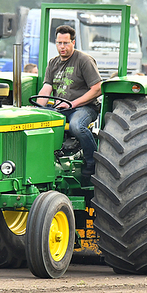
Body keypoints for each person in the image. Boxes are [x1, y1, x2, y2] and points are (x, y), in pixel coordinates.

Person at [36, 25, 102, 178]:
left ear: (73, 42)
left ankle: (92, 162)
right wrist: (38, 109)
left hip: (84, 108)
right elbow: (46, 89)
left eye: (66, 43)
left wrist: (73, 103)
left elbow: (97, 89)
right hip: (61, 108)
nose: (62, 47)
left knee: (76, 127)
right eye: (59, 43)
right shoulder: (53, 63)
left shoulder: (84, 60)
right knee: (37, 122)